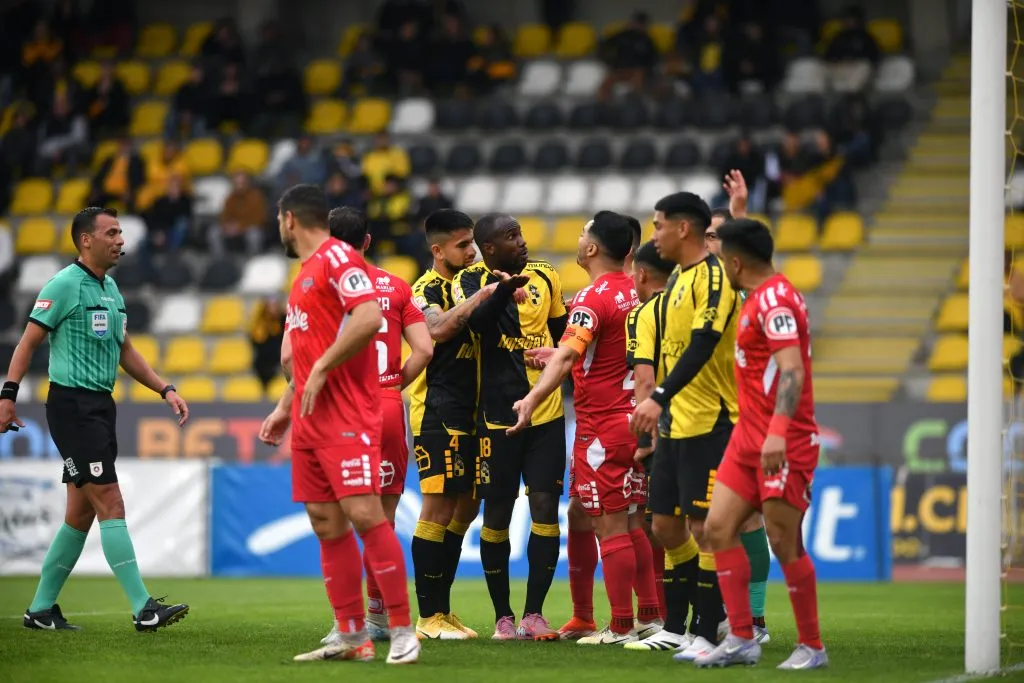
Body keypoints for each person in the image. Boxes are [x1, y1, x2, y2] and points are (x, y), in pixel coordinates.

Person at [1, 207, 190, 632]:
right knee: (111, 502)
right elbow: (27, 343)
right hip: (72, 408)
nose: (121, 240)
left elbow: (125, 351)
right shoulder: (64, 285)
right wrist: (7, 396)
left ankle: (40, 609)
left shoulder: (111, 289)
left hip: (101, 407)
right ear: (86, 240)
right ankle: (143, 608)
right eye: (112, 233)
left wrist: (165, 388)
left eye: (121, 233)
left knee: (80, 515)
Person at [257, 185, 418, 664]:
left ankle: (402, 630)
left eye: (279, 221)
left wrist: (324, 368)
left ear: (289, 219)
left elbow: (367, 318)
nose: (279, 228)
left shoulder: (338, 259)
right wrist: (284, 407)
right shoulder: (304, 274)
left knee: (366, 515)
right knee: (325, 522)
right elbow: (303, 355)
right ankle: (351, 636)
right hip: (310, 417)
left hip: (348, 415)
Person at [508, 212, 658, 646]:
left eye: (581, 234)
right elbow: (601, 351)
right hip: (634, 418)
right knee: (608, 516)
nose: (577, 239)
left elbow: (573, 354)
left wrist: (533, 397)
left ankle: (623, 625)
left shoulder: (593, 297)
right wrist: (557, 355)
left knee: (612, 526)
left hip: (602, 427)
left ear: (592, 248)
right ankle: (633, 615)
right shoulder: (637, 291)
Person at [694, 219, 826, 670]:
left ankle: (812, 646)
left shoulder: (776, 301)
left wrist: (777, 432)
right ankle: (741, 638)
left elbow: (792, 369)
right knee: (717, 528)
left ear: (735, 263)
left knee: (784, 540)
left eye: (722, 261)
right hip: (746, 437)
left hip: (783, 439)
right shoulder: (758, 296)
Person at [629, 192, 737, 662]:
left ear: (683, 228)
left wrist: (656, 397)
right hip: (674, 424)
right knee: (666, 526)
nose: (654, 235)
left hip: (710, 420)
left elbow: (703, 344)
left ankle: (709, 632)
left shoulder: (713, 278)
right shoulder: (677, 281)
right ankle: (679, 628)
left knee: (707, 528)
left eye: (658, 225)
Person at [320, 206, 433, 643]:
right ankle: (380, 618)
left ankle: (346, 622)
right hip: (386, 406)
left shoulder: (320, 286)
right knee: (381, 522)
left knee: (339, 521)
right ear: (367, 241)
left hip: (342, 406)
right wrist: (392, 384)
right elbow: (424, 350)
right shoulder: (397, 286)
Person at [453, 213, 568, 640]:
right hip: (496, 418)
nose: (521, 242)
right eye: (510, 236)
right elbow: (477, 327)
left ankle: (534, 614)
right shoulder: (471, 281)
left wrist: (554, 353)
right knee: (497, 513)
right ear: (489, 248)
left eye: (520, 234)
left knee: (545, 507)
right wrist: (503, 290)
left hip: (547, 413)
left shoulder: (546, 274)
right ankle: (503, 616)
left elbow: (564, 336)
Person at [407, 209, 498, 640]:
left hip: (474, 415)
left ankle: (442, 609)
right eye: (462, 245)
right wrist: (483, 297)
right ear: (438, 250)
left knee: (467, 507)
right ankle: (427, 617)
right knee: (438, 508)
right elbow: (438, 329)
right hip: (438, 412)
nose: (472, 251)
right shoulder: (424, 289)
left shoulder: (471, 282)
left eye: (473, 242)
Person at [705, 170, 772, 644]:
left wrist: (741, 213)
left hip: (740, 417)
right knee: (705, 524)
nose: (713, 242)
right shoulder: (689, 287)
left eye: (718, 235)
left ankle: (754, 620)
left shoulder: (743, 290)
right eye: (708, 235)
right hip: (697, 418)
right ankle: (711, 617)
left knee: (750, 521)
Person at [620, 240, 678, 651]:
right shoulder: (688, 305)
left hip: (666, 429)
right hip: (705, 423)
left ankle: (674, 625)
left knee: (666, 527)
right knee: (703, 525)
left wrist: (644, 438)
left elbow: (644, 379)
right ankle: (725, 620)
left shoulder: (646, 313)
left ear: (640, 274)